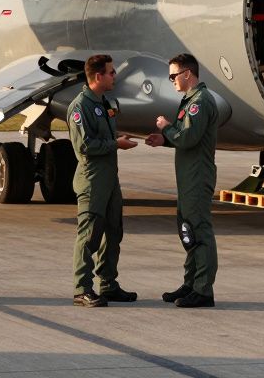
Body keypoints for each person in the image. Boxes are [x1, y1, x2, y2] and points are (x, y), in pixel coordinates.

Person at [146, 52, 219, 308]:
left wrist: (166, 126)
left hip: (197, 177)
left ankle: (203, 290)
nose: (172, 80)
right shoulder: (191, 100)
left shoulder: (200, 102)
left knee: (199, 231)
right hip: (188, 177)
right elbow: (187, 138)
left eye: (173, 75)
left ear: (187, 74)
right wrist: (165, 139)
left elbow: (188, 138)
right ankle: (191, 284)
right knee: (188, 230)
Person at [69, 54, 139, 307]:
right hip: (93, 181)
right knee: (89, 235)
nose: (114, 76)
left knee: (113, 232)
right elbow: (84, 145)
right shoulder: (80, 107)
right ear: (98, 76)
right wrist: (115, 144)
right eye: (111, 72)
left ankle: (108, 284)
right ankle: (82, 288)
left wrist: (118, 137)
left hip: (110, 180)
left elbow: (104, 136)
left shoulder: (104, 102)